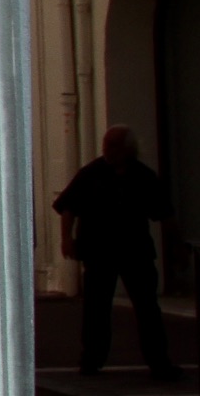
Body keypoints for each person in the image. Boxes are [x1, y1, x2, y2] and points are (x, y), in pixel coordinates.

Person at [55, 126, 184, 379]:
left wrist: (176, 247)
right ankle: (91, 360)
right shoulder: (91, 174)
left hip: (134, 250)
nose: (107, 150)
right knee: (96, 307)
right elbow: (68, 206)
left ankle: (159, 362)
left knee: (147, 307)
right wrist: (66, 238)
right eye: (106, 144)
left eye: (113, 145)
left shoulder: (143, 177)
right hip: (99, 249)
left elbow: (165, 215)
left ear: (127, 149)